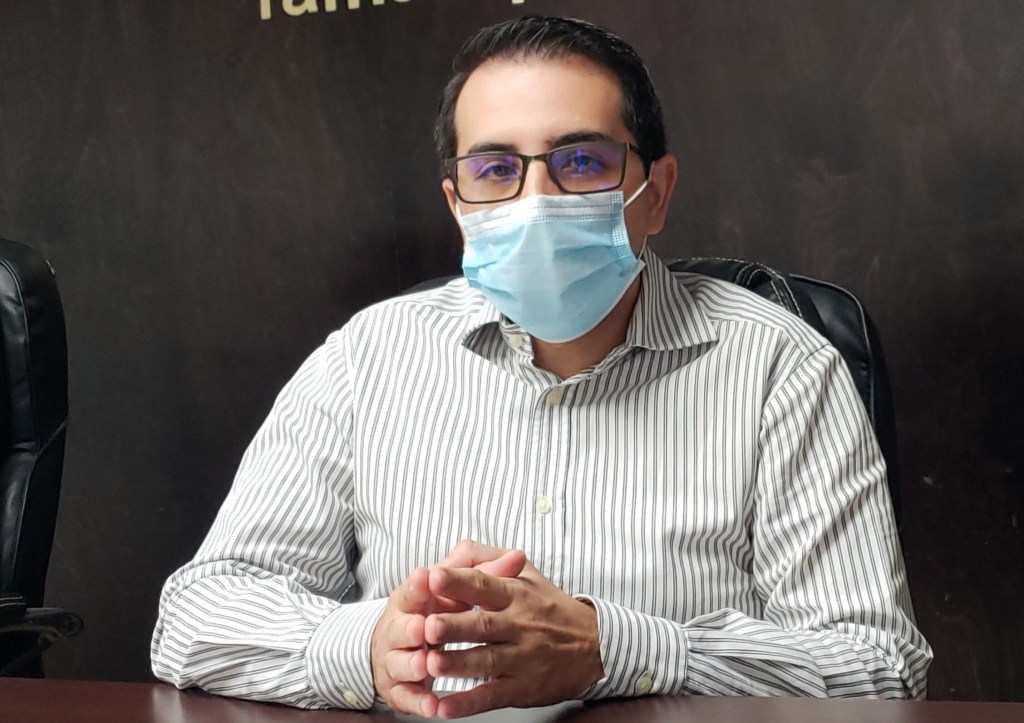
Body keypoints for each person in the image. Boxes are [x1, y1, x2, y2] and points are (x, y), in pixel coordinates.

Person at [151, 15, 932, 719]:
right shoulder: (368, 358)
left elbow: (878, 668)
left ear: (656, 193)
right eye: (496, 170)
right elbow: (195, 618)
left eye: (581, 161)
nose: (536, 200)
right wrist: (374, 646)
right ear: (457, 205)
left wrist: (610, 648)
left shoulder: (782, 366)